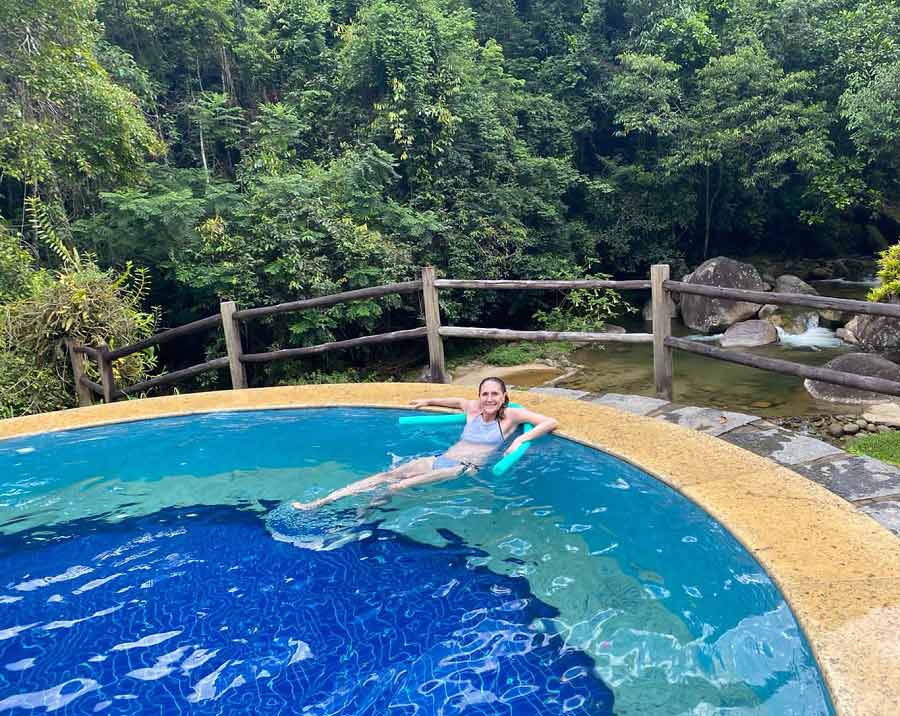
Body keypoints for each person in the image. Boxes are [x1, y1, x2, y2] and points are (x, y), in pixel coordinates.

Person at [291, 377, 558, 510]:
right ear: (479, 396)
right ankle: (321, 502)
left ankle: (366, 513)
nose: (489, 399)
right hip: (441, 457)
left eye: (494, 394)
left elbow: (550, 422)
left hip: (464, 468)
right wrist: (427, 401)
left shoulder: (512, 415)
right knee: (387, 474)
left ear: (504, 396)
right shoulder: (473, 408)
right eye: (485, 394)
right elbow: (455, 400)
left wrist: (521, 438)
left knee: (399, 485)